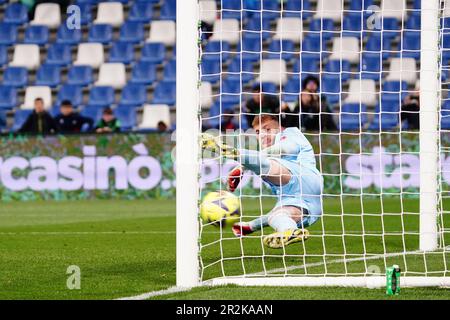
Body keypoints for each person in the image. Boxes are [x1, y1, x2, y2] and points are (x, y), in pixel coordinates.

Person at [202, 114, 323, 249]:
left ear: (279, 127)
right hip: (307, 205)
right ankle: (290, 231)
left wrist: (242, 165)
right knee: (277, 216)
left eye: (268, 129)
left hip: (304, 176)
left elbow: (284, 149)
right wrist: (251, 226)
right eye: (258, 132)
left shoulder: (290, 133)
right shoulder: (265, 154)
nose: (263, 135)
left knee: (269, 163)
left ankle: (233, 153)